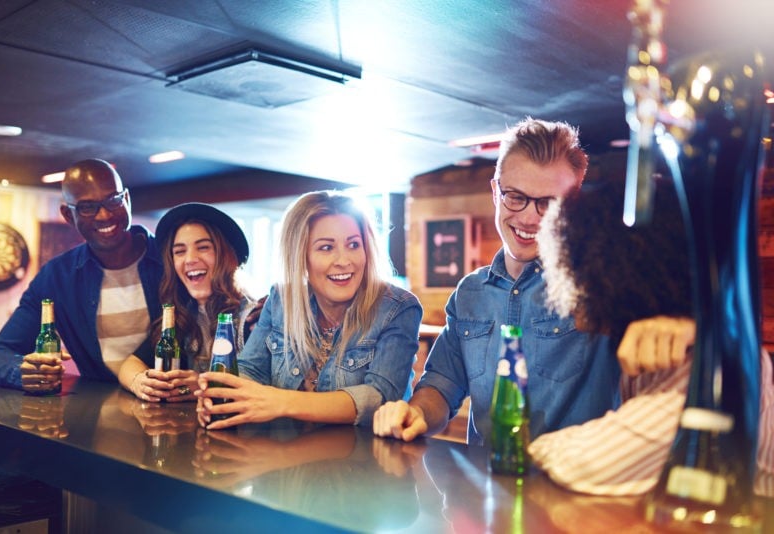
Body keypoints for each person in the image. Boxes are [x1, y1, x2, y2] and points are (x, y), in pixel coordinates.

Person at [373, 118, 621, 444]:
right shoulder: (470, 293)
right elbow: (442, 384)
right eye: (515, 196)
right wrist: (417, 413)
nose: (529, 217)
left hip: (571, 489)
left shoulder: (603, 284)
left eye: (548, 204)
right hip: (486, 489)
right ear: (495, 192)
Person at [528, 172, 773, 496]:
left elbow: (586, 465)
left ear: (616, 273)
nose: (566, 291)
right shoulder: (663, 346)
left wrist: (531, 448)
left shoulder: (707, 368)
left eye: (574, 269)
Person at [196, 190, 423, 429]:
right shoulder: (281, 299)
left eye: (354, 244)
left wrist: (281, 401)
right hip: (283, 456)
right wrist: (223, 399)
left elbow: (380, 397)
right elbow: (250, 370)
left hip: (364, 461)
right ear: (300, 257)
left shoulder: (397, 307)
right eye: (326, 248)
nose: (344, 260)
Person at [0, 159, 163, 393]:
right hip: (98, 414)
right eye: (88, 207)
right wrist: (24, 371)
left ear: (126, 200)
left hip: (176, 409)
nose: (104, 215)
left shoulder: (172, 261)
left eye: (113, 200)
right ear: (68, 215)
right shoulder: (57, 277)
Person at [118, 203, 257, 402]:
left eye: (203, 247)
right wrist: (140, 382)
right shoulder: (184, 314)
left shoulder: (253, 317)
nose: (190, 259)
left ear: (228, 256)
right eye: (180, 251)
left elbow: (263, 387)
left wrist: (201, 385)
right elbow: (130, 364)